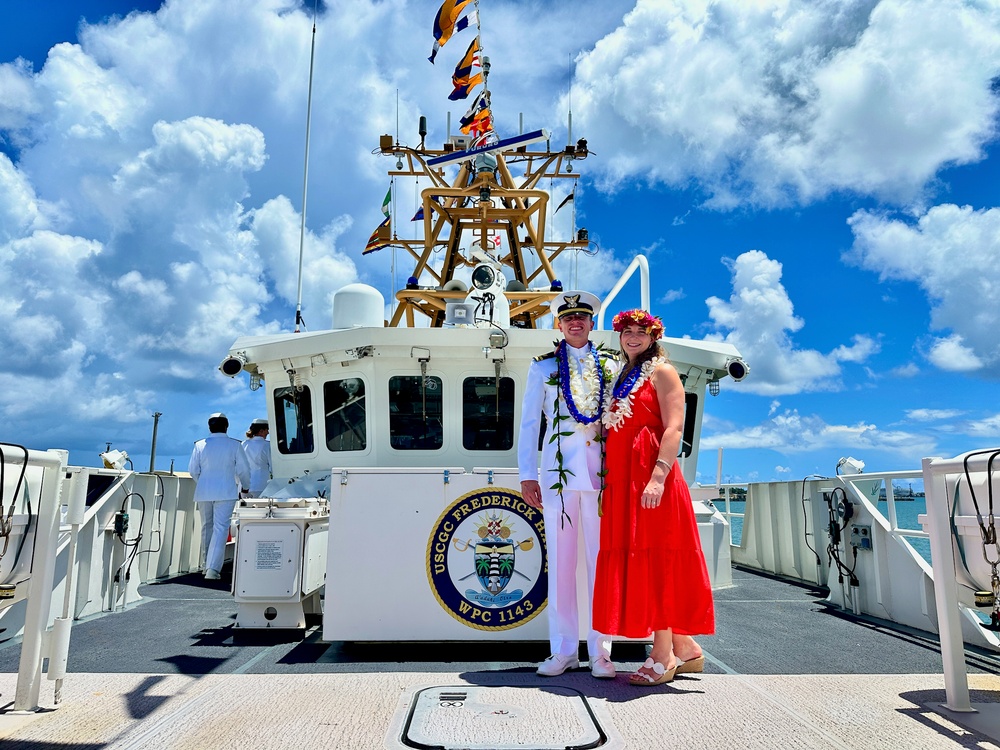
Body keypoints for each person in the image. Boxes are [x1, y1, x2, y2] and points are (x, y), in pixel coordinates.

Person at [593, 309, 714, 685]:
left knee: (656, 558)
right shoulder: (623, 374)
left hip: (649, 478)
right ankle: (686, 647)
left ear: (653, 336)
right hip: (624, 480)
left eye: (640, 333)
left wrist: (658, 477)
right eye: (626, 332)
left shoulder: (662, 371)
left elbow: (675, 426)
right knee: (643, 554)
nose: (632, 337)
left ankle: (662, 656)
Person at [518, 291, 619, 679]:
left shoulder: (610, 366)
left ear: (592, 323)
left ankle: (601, 652)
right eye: (568, 318)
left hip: (601, 479)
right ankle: (563, 650)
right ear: (558, 325)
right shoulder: (542, 369)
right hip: (557, 479)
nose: (575, 323)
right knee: (561, 566)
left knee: (600, 565)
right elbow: (529, 425)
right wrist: (527, 474)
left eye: (582, 317)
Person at [189, 412, 251, 581]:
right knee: (220, 529)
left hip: (203, 492)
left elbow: (193, 471)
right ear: (226, 426)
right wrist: (245, 487)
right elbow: (243, 470)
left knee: (206, 528)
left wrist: (203, 483)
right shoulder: (234, 445)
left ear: (210, 427)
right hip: (225, 492)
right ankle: (212, 569)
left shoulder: (199, 445)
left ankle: (205, 565)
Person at [242, 418, 272, 498]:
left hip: (244, 487)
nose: (268, 432)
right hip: (261, 485)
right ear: (261, 431)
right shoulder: (267, 446)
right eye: (267, 430)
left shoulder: (243, 444)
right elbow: (273, 466)